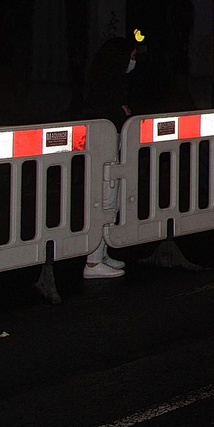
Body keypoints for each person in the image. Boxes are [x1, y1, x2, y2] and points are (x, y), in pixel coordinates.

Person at [84, 36, 138, 279]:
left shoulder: (105, 77)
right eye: (131, 57)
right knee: (104, 200)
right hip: (103, 151)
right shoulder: (105, 81)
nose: (132, 62)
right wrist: (119, 112)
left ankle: (100, 254)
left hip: (107, 149)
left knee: (110, 200)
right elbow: (101, 111)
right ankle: (93, 262)